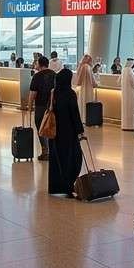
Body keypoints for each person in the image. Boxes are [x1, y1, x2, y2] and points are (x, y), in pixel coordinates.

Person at [46, 68, 85, 197]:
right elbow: (74, 113)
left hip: (55, 132)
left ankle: (55, 187)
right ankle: (68, 186)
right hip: (68, 132)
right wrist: (80, 130)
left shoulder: (54, 93)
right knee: (72, 158)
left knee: (57, 159)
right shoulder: (70, 94)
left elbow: (49, 109)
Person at [27, 55, 56, 160]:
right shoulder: (54, 75)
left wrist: (29, 107)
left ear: (39, 64)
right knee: (51, 127)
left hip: (40, 106)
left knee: (41, 128)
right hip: (52, 106)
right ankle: (53, 150)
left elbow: (33, 93)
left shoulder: (37, 76)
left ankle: (45, 151)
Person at [119, 58, 134, 131]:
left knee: (126, 110)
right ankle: (131, 126)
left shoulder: (123, 70)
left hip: (125, 95)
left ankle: (125, 125)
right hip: (132, 95)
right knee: (132, 109)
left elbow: (118, 82)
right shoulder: (130, 71)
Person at [72, 54, 96, 119]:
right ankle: (86, 118)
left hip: (84, 88)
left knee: (83, 101)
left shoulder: (84, 66)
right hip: (88, 88)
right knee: (87, 101)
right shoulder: (86, 67)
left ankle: (83, 117)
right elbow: (92, 79)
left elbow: (79, 79)